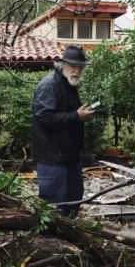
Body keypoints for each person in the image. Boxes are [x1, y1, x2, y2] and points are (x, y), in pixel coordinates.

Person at [31, 45, 94, 216]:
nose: (76, 70)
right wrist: (76, 116)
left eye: (80, 67)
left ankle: (71, 241)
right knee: (55, 209)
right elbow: (44, 117)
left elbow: (67, 115)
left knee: (73, 204)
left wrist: (78, 115)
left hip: (69, 158)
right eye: (73, 66)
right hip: (53, 160)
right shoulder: (49, 85)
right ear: (62, 64)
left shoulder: (69, 85)